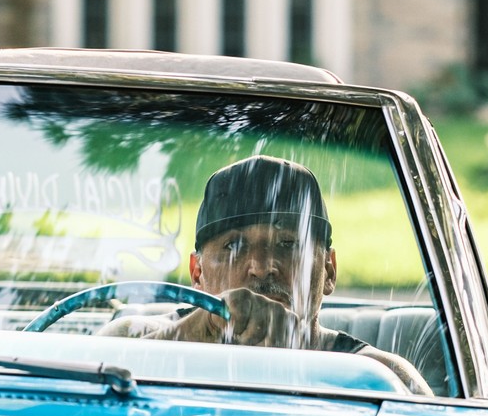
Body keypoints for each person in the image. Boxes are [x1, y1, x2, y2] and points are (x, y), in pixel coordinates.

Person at [100, 155, 430, 395]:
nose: (261, 266)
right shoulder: (131, 340)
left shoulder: (383, 379)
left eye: (288, 243)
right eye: (233, 246)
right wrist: (200, 331)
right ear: (197, 272)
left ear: (328, 270)